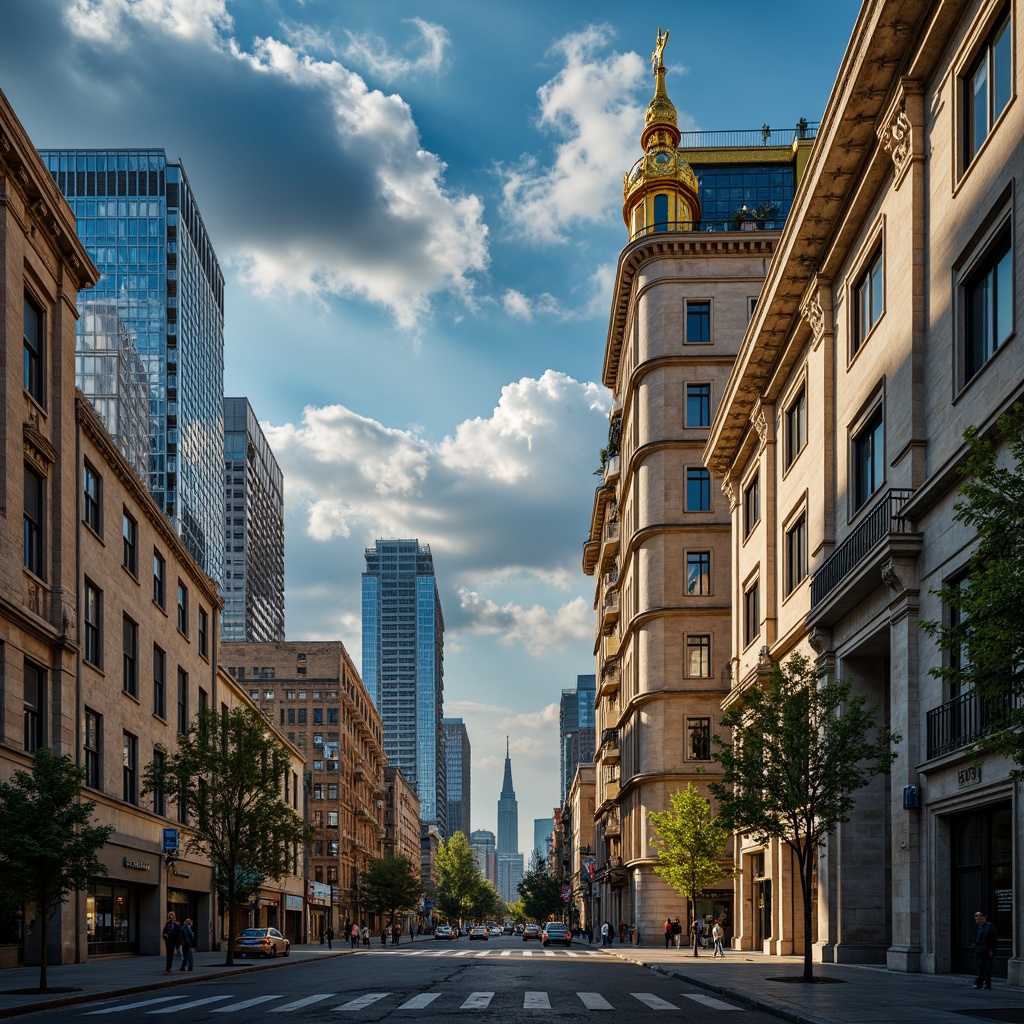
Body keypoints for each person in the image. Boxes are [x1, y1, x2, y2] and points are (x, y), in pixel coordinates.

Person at [974, 911, 997, 989]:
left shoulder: (988, 926)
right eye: (975, 916)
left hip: (987, 951)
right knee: (980, 968)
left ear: (983, 917)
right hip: (979, 951)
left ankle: (988, 984)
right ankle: (979, 984)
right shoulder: (979, 927)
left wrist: (991, 949)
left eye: (978, 916)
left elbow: (993, 939)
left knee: (987, 968)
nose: (976, 918)